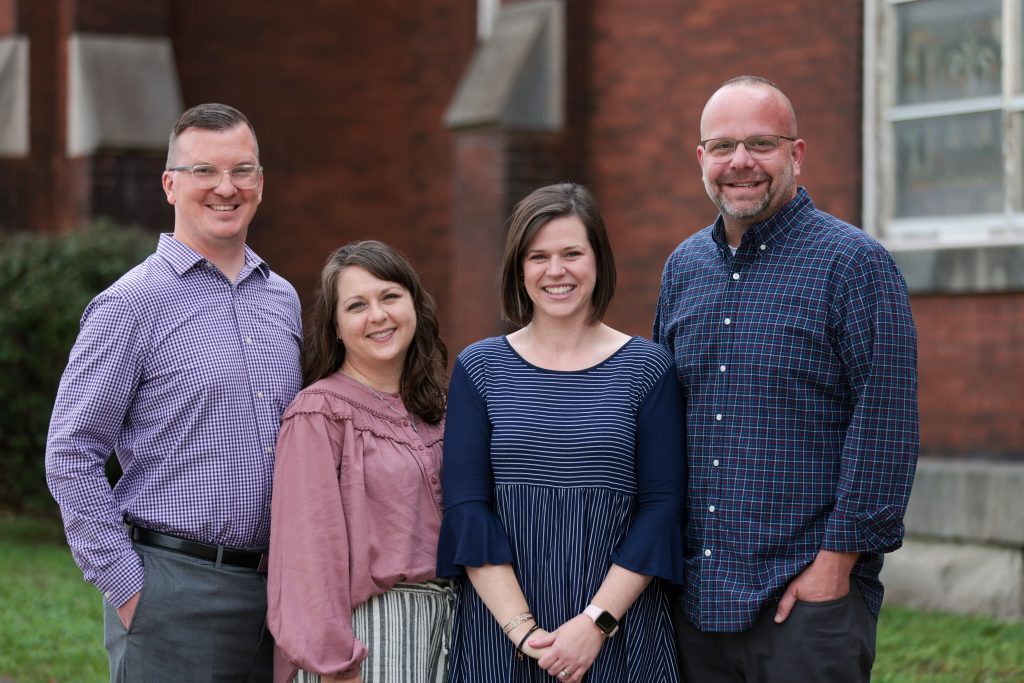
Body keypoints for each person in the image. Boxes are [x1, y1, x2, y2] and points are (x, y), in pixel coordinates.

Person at [654, 75, 919, 683]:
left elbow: (886, 426)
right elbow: (666, 422)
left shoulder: (854, 264)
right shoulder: (683, 268)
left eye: (761, 144)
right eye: (722, 147)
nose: (740, 162)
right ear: (701, 160)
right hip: (695, 601)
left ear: (796, 154)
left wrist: (835, 565)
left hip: (806, 602)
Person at [45, 103, 302, 681]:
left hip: (280, 596)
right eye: (203, 171)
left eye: (242, 170)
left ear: (260, 182)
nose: (225, 188)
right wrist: (129, 587)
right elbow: (70, 453)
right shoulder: (130, 305)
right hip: (173, 591)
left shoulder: (281, 299)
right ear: (170, 184)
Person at [437, 182, 686, 683]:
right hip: (501, 635)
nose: (556, 271)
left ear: (598, 261)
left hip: (621, 632)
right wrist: (525, 633)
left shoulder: (648, 368)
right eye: (538, 256)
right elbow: (467, 508)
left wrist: (596, 624)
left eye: (572, 252)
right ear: (518, 268)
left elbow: (661, 511)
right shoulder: (479, 368)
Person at [267, 240, 452, 683]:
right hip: (366, 633)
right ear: (335, 326)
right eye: (356, 305)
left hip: (450, 626)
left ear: (414, 304)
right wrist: (334, 661)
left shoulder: (441, 409)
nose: (378, 316)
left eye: (390, 296)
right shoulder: (318, 413)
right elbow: (307, 553)